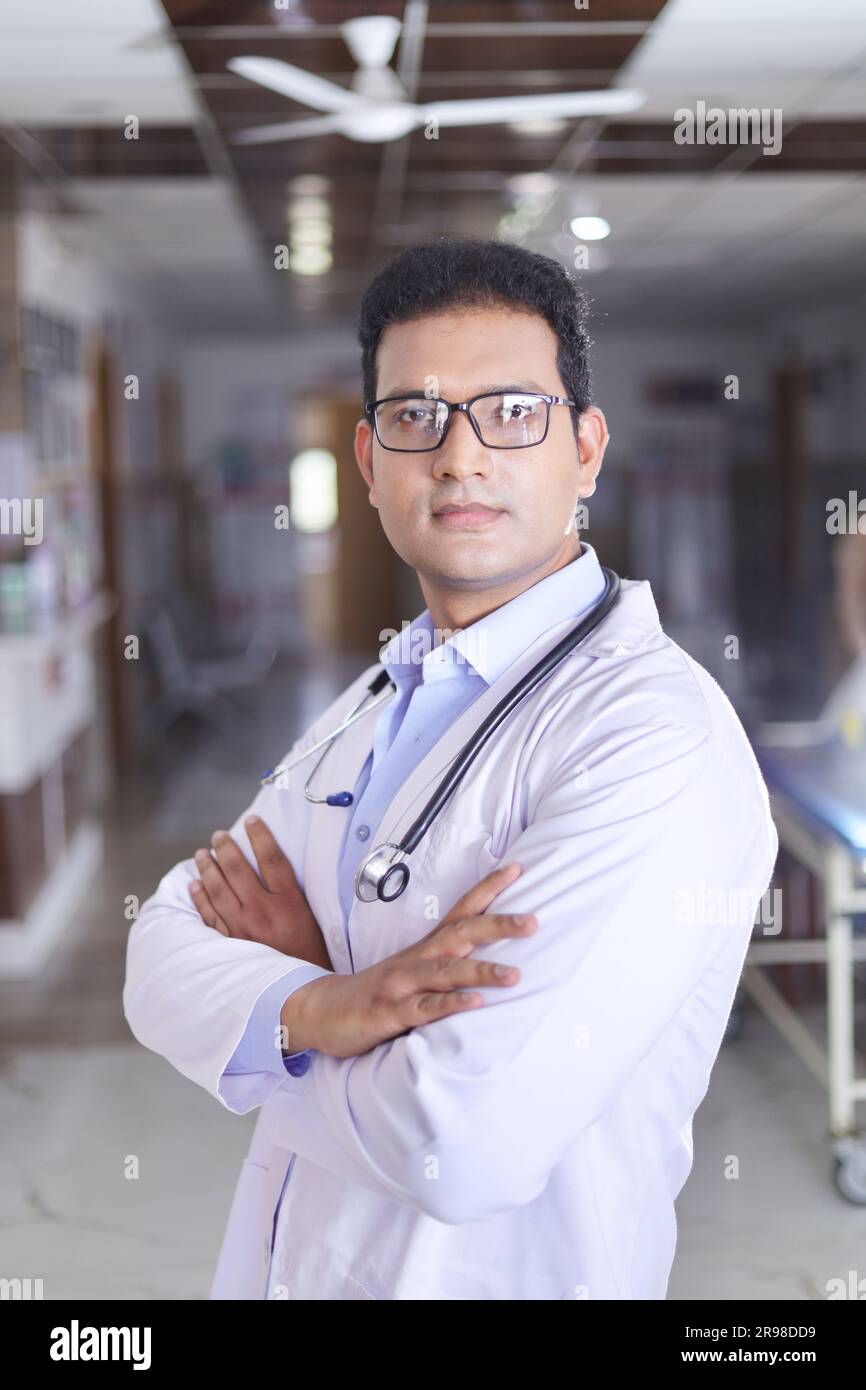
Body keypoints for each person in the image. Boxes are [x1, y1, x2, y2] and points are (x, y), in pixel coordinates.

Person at [123, 237, 778, 1301]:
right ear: (369, 462)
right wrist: (320, 1006)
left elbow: (462, 1141)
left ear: (586, 449)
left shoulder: (651, 736)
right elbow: (155, 954)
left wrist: (270, 1026)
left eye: (511, 411)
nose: (460, 456)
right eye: (415, 416)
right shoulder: (376, 697)